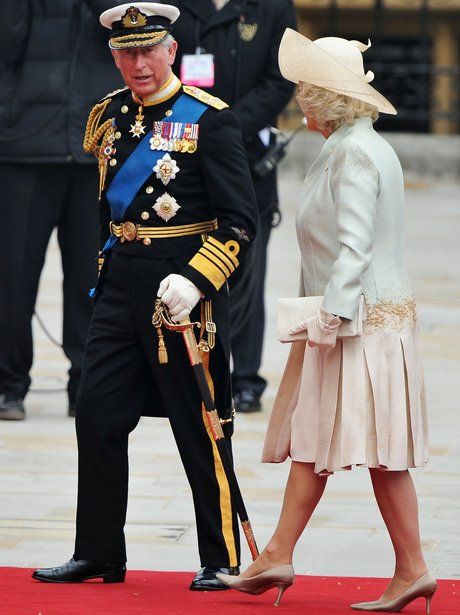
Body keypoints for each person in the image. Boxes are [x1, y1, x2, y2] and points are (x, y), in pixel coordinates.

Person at [32, 2, 258, 591]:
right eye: (127, 53)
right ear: (114, 57)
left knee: (200, 423)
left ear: (171, 50)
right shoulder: (109, 115)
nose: (139, 64)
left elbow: (240, 223)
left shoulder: (209, 120)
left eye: (149, 51)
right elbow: (107, 210)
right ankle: (98, 552)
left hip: (181, 292)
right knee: (97, 415)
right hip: (119, 285)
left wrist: (198, 279)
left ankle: (221, 556)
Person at [217, 29, 437, 612]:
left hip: (358, 324)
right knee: (316, 439)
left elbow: (354, 248)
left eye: (305, 90)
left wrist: (331, 318)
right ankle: (278, 554)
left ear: (325, 97)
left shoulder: (355, 153)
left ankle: (411, 568)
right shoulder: (356, 146)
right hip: (361, 320)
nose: (298, 100)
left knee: (381, 454)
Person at [169, 0, 297, 413]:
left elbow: (280, 79)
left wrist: (224, 130)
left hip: (245, 154)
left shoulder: (272, 7)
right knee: (188, 265)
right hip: (183, 153)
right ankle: (195, 369)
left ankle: (244, 378)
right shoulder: (176, 6)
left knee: (246, 271)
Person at [0, 0, 124, 420]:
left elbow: (128, 25)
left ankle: (87, 383)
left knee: (92, 278)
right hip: (22, 147)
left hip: (96, 148)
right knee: (12, 277)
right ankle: (8, 384)